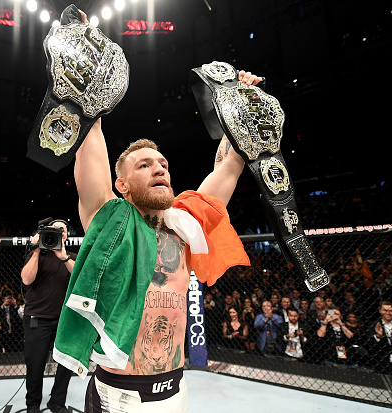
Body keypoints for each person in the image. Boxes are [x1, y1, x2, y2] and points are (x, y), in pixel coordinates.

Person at [51, 14, 261, 409]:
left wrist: (240, 103)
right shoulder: (108, 217)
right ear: (122, 185)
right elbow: (89, 133)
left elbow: (230, 165)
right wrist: (82, 55)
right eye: (144, 164)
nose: (159, 167)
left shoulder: (186, 222)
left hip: (176, 388)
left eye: (162, 162)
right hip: (118, 392)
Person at [20, 220, 77, 413]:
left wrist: (63, 257)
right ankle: (33, 405)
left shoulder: (72, 257)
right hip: (38, 317)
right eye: (55, 230)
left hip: (65, 319)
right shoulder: (36, 255)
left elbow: (78, 276)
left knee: (66, 364)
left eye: (63, 230)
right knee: (35, 364)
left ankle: (57, 402)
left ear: (67, 235)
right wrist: (36, 249)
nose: (59, 233)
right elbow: (26, 279)